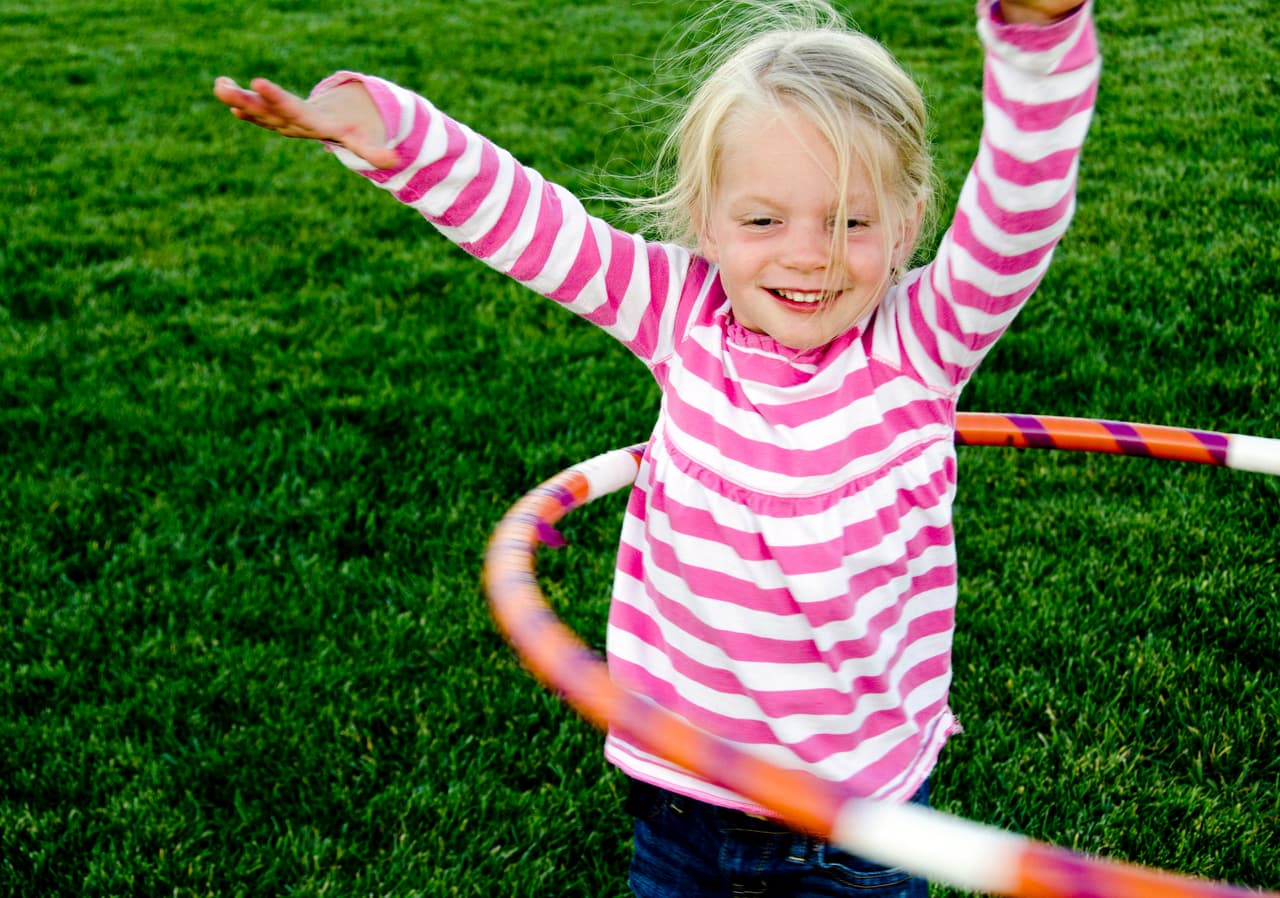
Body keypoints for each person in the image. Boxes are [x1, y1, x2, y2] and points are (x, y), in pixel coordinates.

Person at [214, 0, 1099, 894]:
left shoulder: (924, 345)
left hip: (861, 830)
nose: (808, 257)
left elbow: (1022, 207)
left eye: (848, 224)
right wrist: (393, 135)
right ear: (706, 222)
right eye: (762, 222)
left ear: (906, 227)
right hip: (681, 808)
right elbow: (526, 219)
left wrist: (1043, 34)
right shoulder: (680, 314)